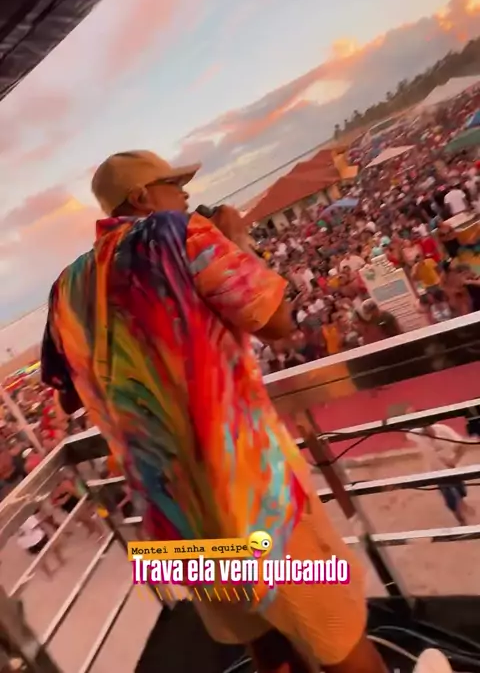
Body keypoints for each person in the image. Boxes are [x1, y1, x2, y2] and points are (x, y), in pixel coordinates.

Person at [41, 150, 387, 673]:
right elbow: (277, 322)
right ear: (141, 197)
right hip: (253, 499)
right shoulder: (178, 232)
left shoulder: (64, 289)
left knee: (264, 647)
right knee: (339, 639)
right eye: (173, 183)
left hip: (172, 515)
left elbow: (67, 396)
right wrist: (236, 239)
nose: (184, 193)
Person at [405, 413, 475, 526]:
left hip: (452, 469)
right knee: (450, 498)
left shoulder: (443, 430)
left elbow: (462, 446)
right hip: (436, 473)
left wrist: (454, 460)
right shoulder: (415, 434)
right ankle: (462, 521)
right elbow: (405, 434)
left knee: (461, 491)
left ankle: (462, 503)